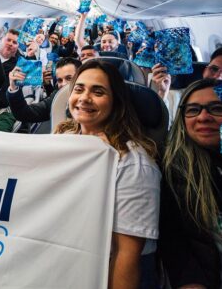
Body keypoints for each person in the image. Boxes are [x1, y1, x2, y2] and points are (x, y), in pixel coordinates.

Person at [54, 60, 160, 289]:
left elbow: (126, 253)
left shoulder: (133, 162)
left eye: (98, 92)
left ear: (116, 102)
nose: (84, 98)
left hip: (109, 266)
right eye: (79, 89)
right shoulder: (61, 140)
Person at [160, 79, 222, 288]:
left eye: (218, 108)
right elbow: (177, 243)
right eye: (193, 110)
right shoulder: (174, 172)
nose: (203, 117)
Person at [7, 57, 81, 123]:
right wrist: (13, 86)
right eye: (60, 80)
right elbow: (24, 114)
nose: (63, 84)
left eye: (69, 78)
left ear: (81, 76)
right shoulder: (56, 97)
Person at [0, 29, 20, 132]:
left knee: (1, 135)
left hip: (1, 110)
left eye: (14, 42)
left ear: (18, 46)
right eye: (8, 40)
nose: (10, 44)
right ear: (1, 40)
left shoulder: (19, 66)